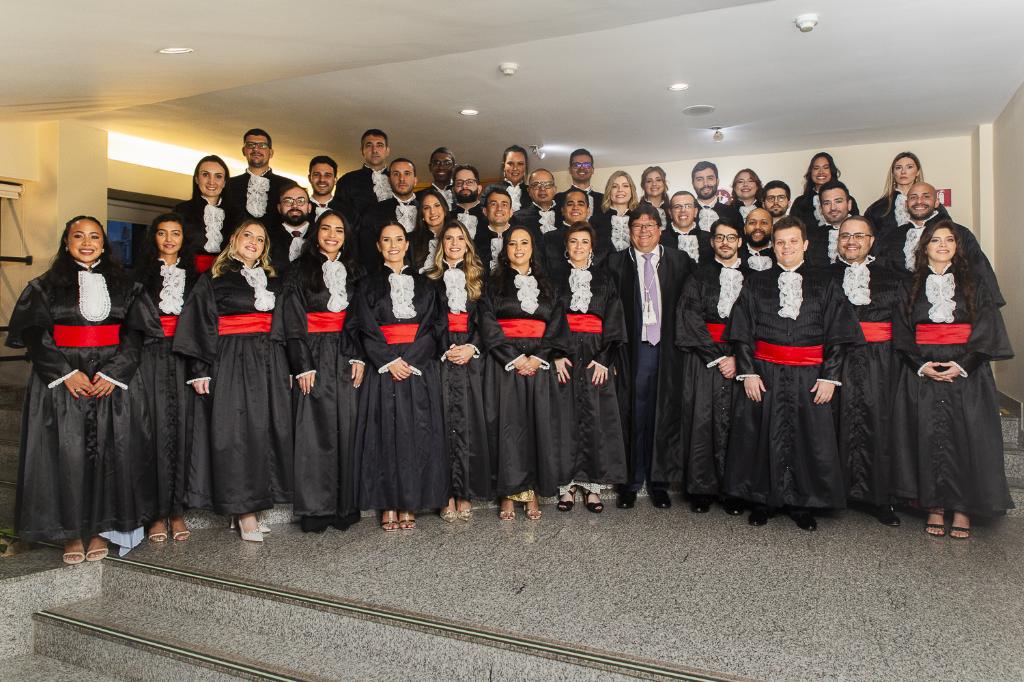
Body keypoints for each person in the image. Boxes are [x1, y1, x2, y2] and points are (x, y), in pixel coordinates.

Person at [7, 216, 160, 563]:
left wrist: (114, 373)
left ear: (104, 244)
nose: (87, 242)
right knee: (67, 454)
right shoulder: (43, 286)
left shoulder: (128, 287)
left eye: (94, 236)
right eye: (79, 236)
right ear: (67, 242)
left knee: (111, 453)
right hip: (64, 380)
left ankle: (101, 530)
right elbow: (34, 333)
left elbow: (136, 334)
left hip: (112, 381)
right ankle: (72, 533)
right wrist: (64, 373)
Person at [724, 216, 863, 531]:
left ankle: (802, 503)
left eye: (792, 241)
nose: (786, 247)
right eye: (780, 242)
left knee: (807, 439)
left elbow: (839, 335)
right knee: (760, 437)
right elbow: (742, 332)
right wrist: (748, 373)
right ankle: (763, 500)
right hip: (765, 373)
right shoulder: (756, 282)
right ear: (773, 246)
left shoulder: (826, 283)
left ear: (805, 244)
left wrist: (829, 377)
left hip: (810, 375)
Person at [892, 220, 1014, 539]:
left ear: (958, 247)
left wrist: (963, 365)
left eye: (949, 240)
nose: (943, 245)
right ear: (924, 247)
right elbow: (901, 331)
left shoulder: (975, 282)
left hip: (967, 374)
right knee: (926, 436)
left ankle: (962, 508)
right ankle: (934, 506)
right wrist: (921, 364)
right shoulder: (909, 285)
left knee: (966, 438)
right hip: (922, 372)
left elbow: (987, 327)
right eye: (935, 240)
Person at [174, 220, 293, 543]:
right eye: (247, 235)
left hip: (269, 360)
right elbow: (198, 322)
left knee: (264, 432)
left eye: (260, 238)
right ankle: (243, 513)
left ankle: (254, 504)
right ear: (233, 239)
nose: (253, 242)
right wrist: (199, 368)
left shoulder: (272, 280)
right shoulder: (213, 279)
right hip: (230, 359)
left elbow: (284, 323)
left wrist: (289, 364)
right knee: (236, 433)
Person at [354, 223, 448, 531]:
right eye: (386, 240)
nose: (393, 245)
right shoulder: (366, 285)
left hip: (418, 367)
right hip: (383, 368)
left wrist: (410, 360)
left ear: (407, 244)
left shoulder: (427, 285)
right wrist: (389, 360)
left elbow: (435, 327)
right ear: (378, 246)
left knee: (416, 434)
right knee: (385, 434)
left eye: (398, 239)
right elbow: (364, 327)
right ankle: (388, 504)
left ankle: (410, 503)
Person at [280, 210, 366, 533]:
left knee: (348, 426)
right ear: (316, 233)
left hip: (347, 352)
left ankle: (345, 507)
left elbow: (363, 318)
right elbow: (292, 319)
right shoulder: (298, 270)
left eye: (339, 230)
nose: (332, 235)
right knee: (313, 430)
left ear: (346, 236)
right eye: (326, 229)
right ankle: (316, 510)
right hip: (313, 352)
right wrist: (301, 364)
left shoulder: (357, 271)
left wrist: (359, 357)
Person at [607, 205, 693, 509]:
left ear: (660, 229)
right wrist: (612, 354)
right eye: (637, 226)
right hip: (633, 350)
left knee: (663, 413)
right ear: (629, 230)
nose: (644, 231)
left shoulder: (680, 261)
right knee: (633, 413)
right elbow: (608, 311)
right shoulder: (615, 263)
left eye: (650, 225)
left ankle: (659, 483)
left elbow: (690, 306)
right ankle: (630, 483)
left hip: (668, 350)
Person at [481, 227, 569, 520]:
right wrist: (515, 358)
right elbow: (488, 323)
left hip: (538, 364)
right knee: (508, 428)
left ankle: (531, 492)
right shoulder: (493, 284)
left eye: (524, 243)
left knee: (536, 426)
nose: (518, 248)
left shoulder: (549, 285)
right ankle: (508, 493)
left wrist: (539, 357)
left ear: (533, 248)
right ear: (504, 250)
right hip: (505, 364)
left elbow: (557, 324)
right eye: (512, 244)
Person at [662, 219, 746, 515]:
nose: (725, 243)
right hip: (704, 359)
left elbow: (758, 320)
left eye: (731, 237)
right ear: (711, 243)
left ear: (740, 242)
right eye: (719, 237)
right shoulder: (698, 276)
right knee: (701, 421)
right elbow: (689, 317)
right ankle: (701, 489)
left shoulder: (753, 278)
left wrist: (738, 357)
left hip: (741, 359)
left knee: (738, 424)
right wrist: (718, 357)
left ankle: (734, 490)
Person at [828, 215, 904, 526]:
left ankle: (879, 498)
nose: (851, 241)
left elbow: (903, 325)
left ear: (871, 241)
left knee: (879, 424)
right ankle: (834, 493)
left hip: (880, 361)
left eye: (859, 236)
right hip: (836, 358)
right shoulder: (823, 276)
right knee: (833, 422)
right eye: (845, 236)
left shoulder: (893, 278)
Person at [552, 222, 628, 514]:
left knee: (596, 418)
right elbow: (549, 318)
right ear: (566, 246)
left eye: (584, 242)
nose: (579, 247)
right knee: (564, 417)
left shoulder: (606, 279)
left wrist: (605, 359)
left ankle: (593, 487)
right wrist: (556, 354)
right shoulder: (555, 279)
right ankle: (567, 486)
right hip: (566, 354)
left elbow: (615, 320)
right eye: (574, 241)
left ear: (592, 247)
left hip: (596, 354)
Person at [134, 213, 199, 544]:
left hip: (185, 356)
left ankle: (177, 511)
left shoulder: (198, 279)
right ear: (153, 238)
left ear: (184, 239)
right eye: (162, 233)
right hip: (149, 357)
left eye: (176, 233)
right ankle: (156, 514)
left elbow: (204, 322)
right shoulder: (138, 278)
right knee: (154, 432)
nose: (169, 239)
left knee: (184, 432)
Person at [425, 223, 492, 520]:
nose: (454, 243)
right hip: (440, 357)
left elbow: (488, 320)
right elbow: (425, 322)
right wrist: (445, 348)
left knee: (469, 424)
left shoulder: (480, 279)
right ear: (441, 244)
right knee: (441, 425)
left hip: (471, 358)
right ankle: (446, 494)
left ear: (468, 244)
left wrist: (472, 347)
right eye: (449, 238)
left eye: (460, 238)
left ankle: (465, 491)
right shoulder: (428, 280)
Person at [873, 182, 1003, 306]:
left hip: (954, 309)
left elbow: (980, 272)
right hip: (902, 309)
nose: (919, 201)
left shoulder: (959, 233)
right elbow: (881, 277)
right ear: (906, 204)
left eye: (926, 196)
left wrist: (987, 310)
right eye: (913, 197)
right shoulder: (892, 237)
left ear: (936, 203)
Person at [174, 155, 238, 273]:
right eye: (205, 175)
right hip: (189, 273)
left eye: (218, 176)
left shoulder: (237, 214)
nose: (211, 181)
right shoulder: (181, 210)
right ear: (196, 179)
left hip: (225, 275)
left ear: (224, 182)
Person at [359, 158, 419, 270]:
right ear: (389, 180)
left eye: (407, 173)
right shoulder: (373, 211)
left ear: (415, 180)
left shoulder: (427, 210)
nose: (402, 179)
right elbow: (367, 253)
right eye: (396, 174)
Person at [864, 152, 940, 235]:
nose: (903, 172)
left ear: (917, 172)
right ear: (893, 173)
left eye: (909, 167)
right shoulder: (877, 208)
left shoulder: (932, 203)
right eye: (898, 168)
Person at [225, 128, 290, 224]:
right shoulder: (228, 185)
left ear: (271, 153)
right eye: (250, 145)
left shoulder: (288, 185)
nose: (256, 149)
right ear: (244, 151)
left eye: (262, 145)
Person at [789, 152, 859, 230]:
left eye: (826, 167)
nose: (821, 172)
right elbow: (792, 229)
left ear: (831, 171)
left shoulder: (848, 200)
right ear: (811, 172)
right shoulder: (800, 202)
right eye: (816, 168)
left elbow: (856, 226)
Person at [334, 128, 392, 220]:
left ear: (387, 151)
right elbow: (340, 218)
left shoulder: (397, 180)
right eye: (369, 145)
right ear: (362, 151)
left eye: (379, 145)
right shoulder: (347, 181)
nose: (374, 150)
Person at [543, 188, 595, 275]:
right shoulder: (548, 238)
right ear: (563, 210)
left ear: (588, 211)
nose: (575, 207)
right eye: (570, 204)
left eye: (580, 204)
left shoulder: (601, 239)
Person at [806, 180, 853, 267]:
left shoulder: (865, 231)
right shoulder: (810, 237)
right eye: (827, 203)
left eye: (838, 201)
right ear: (821, 209)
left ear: (849, 204)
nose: (833, 208)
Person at [591, 170, 639, 255]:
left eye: (625, 186)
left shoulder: (640, 217)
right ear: (609, 191)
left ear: (632, 191)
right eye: (614, 186)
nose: (620, 190)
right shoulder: (595, 219)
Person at [268, 182, 312, 273]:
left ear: (309, 207)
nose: (294, 205)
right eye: (288, 201)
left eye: (300, 201)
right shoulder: (267, 237)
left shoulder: (320, 236)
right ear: (279, 208)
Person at [661, 190, 713, 264]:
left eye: (688, 206)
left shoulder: (709, 238)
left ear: (695, 212)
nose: (683, 210)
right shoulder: (659, 239)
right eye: (677, 207)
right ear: (670, 213)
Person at [691, 161, 742, 231]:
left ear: (717, 181)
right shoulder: (686, 214)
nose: (705, 184)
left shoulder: (733, 213)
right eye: (699, 179)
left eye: (710, 178)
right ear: (693, 183)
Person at [410, 188, 450, 273]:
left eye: (437, 205)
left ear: (445, 210)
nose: (432, 212)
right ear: (422, 215)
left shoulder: (456, 236)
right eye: (426, 208)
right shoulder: (411, 240)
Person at [554, 148, 603, 217]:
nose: (582, 168)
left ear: (592, 170)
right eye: (576, 165)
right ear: (570, 170)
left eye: (586, 165)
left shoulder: (604, 199)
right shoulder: (557, 199)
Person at [513, 169, 559, 238]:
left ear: (555, 189)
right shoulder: (517, 218)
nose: (542, 189)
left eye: (547, 184)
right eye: (536, 185)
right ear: (529, 191)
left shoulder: (566, 214)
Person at [451, 164, 486, 239]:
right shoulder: (446, 217)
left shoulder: (489, 215)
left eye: (469, 182)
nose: (464, 186)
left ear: (479, 189)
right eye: (459, 183)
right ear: (453, 190)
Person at [501, 145, 529, 212]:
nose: (515, 168)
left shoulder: (531, 192)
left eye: (520, 164)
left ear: (525, 167)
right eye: (510, 163)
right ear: (504, 166)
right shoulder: (491, 190)